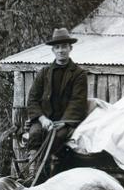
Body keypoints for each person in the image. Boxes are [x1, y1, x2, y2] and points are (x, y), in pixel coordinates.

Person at [26, 27, 88, 174]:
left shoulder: (78, 74)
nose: (61, 50)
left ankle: (48, 171)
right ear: (53, 50)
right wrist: (42, 119)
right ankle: (32, 171)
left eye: (64, 47)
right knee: (35, 133)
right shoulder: (44, 73)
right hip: (44, 120)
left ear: (70, 48)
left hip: (64, 122)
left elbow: (77, 101)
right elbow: (32, 99)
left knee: (56, 138)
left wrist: (65, 122)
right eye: (57, 47)